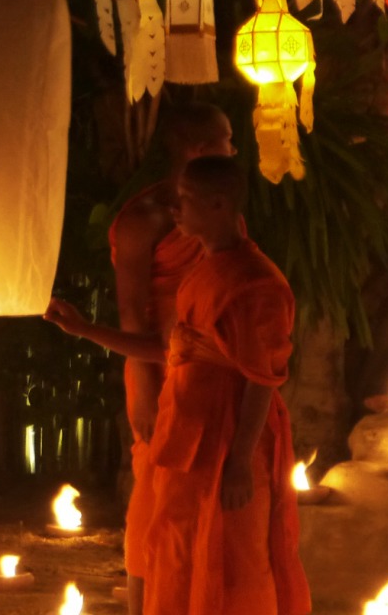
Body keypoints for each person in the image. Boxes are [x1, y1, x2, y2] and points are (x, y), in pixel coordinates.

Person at [47, 156, 310, 615]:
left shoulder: (255, 282)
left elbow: (260, 380)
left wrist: (240, 463)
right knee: (182, 557)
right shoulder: (204, 271)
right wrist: (85, 329)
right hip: (188, 439)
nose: (175, 210)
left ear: (218, 205)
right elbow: (169, 349)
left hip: (228, 442)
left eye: (185, 201)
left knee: (237, 565)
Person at [107, 102, 235, 615]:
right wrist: (142, 385)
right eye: (228, 138)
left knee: (206, 497)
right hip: (161, 368)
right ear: (200, 149)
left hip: (213, 367)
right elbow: (130, 314)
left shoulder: (218, 212)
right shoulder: (145, 218)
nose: (235, 148)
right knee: (155, 500)